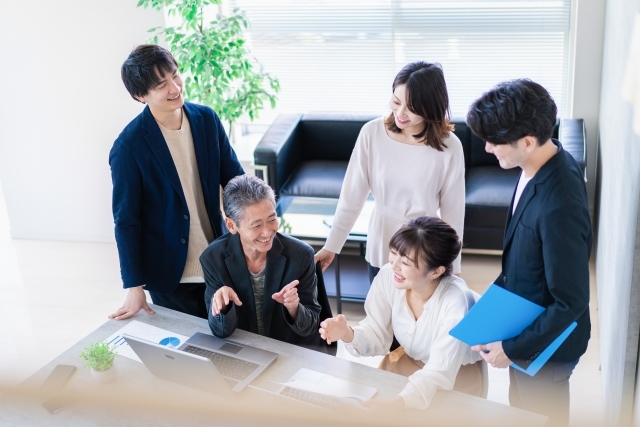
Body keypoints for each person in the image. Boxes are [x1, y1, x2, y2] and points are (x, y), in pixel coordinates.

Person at [466, 79, 592, 426]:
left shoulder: (559, 203)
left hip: (546, 349)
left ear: (527, 141)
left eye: (494, 141)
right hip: (525, 322)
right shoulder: (535, 165)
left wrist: (511, 349)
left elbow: (570, 302)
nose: (488, 148)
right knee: (519, 414)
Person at [108, 45, 244, 321]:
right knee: (186, 345)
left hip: (218, 262)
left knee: (231, 337)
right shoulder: (128, 147)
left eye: (175, 75)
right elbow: (126, 221)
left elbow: (236, 182)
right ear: (140, 95)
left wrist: (258, 226)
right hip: (169, 274)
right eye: (161, 85)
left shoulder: (206, 120)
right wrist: (134, 286)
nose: (175, 88)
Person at [314, 61, 465, 283]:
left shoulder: (449, 146)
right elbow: (351, 197)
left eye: (412, 108)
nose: (400, 113)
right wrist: (332, 246)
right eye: (396, 101)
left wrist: (454, 266)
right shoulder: (372, 133)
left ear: (430, 107)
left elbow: (454, 214)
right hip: (382, 242)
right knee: (379, 304)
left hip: (425, 249)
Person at [319, 216, 483, 411]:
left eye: (405, 262)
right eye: (393, 253)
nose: (394, 265)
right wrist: (347, 333)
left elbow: (438, 371)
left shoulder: (456, 301)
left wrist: (394, 406)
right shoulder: (388, 276)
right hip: (410, 362)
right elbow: (376, 334)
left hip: (455, 376)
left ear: (436, 271)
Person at [201, 174, 326, 352]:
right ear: (231, 225)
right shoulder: (213, 258)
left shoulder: (301, 255)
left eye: (272, 219)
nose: (267, 232)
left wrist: (294, 308)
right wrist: (224, 306)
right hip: (244, 351)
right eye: (256, 225)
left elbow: (311, 327)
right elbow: (220, 331)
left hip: (289, 352)